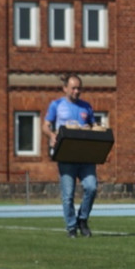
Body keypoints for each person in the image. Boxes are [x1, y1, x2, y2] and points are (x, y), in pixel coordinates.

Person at [43, 73, 98, 239]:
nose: (76, 91)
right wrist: (52, 136)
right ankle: (71, 227)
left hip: (85, 156)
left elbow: (94, 125)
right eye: (73, 88)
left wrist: (97, 130)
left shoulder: (87, 107)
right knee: (68, 195)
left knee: (91, 187)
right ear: (65, 88)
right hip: (66, 156)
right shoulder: (56, 105)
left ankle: (82, 219)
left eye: (79, 88)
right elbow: (45, 126)